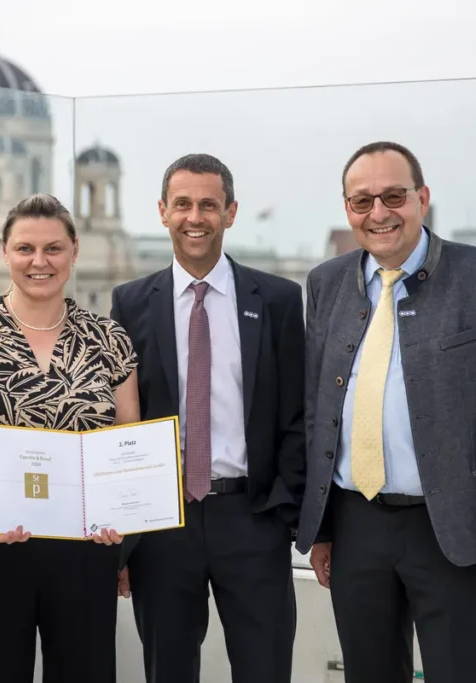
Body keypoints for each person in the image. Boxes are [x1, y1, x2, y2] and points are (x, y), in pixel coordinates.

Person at [296, 140, 476, 683]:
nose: (378, 213)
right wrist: (319, 529)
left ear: (422, 198)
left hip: (453, 531)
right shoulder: (325, 283)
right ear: (347, 209)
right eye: (362, 202)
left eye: (393, 196)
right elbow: (318, 411)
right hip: (355, 523)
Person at [0, 193, 141, 683]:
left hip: (84, 546)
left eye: (53, 248)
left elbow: (127, 440)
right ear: (4, 251)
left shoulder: (109, 340)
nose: (39, 262)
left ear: (74, 251)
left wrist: (119, 509)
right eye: (25, 248)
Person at [109, 153, 305, 683]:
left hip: (252, 516)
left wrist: (284, 515)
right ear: (163, 212)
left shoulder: (280, 299)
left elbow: (296, 414)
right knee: (167, 671)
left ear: (231, 212)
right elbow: (121, 420)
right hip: (163, 522)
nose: (195, 217)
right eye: (183, 205)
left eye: (208, 205)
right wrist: (129, 534)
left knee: (264, 669)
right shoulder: (129, 303)